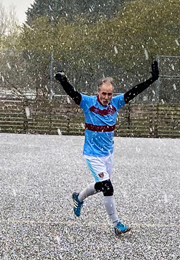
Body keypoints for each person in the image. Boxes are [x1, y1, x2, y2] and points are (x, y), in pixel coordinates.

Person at [54, 60, 159, 235]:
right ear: (98, 92)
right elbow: (73, 93)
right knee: (108, 187)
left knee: (101, 185)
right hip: (92, 155)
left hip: (108, 154)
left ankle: (78, 198)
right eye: (104, 93)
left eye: (109, 94)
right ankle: (117, 224)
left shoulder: (115, 104)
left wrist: (152, 79)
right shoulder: (88, 103)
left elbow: (135, 91)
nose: (107, 97)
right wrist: (63, 81)